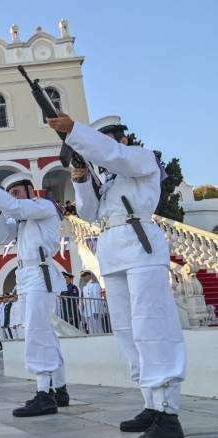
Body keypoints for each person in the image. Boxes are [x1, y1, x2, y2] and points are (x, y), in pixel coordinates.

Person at [49, 113, 186, 437]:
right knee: (127, 330)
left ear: (121, 139)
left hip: (140, 248)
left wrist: (74, 133)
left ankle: (169, 412)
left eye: (107, 141)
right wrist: (82, 180)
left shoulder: (139, 159)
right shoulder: (109, 182)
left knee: (152, 326)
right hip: (113, 252)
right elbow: (89, 213)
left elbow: (115, 157)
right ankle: (151, 402)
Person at [0, 169, 69, 417]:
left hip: (39, 274)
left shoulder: (42, 206)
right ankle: (60, 388)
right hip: (27, 277)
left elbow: (16, 208)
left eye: (16, 192)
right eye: (10, 193)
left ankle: (44, 393)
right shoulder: (23, 219)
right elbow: (3, 235)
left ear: (30, 191)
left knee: (37, 333)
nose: (13, 196)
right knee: (45, 334)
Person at [80, 270, 103, 335]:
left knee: (97, 328)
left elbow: (97, 298)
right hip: (87, 312)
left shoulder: (95, 285)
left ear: (89, 276)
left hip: (94, 311)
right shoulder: (84, 287)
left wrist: (96, 311)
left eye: (85, 276)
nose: (83, 278)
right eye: (83, 276)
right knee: (90, 329)